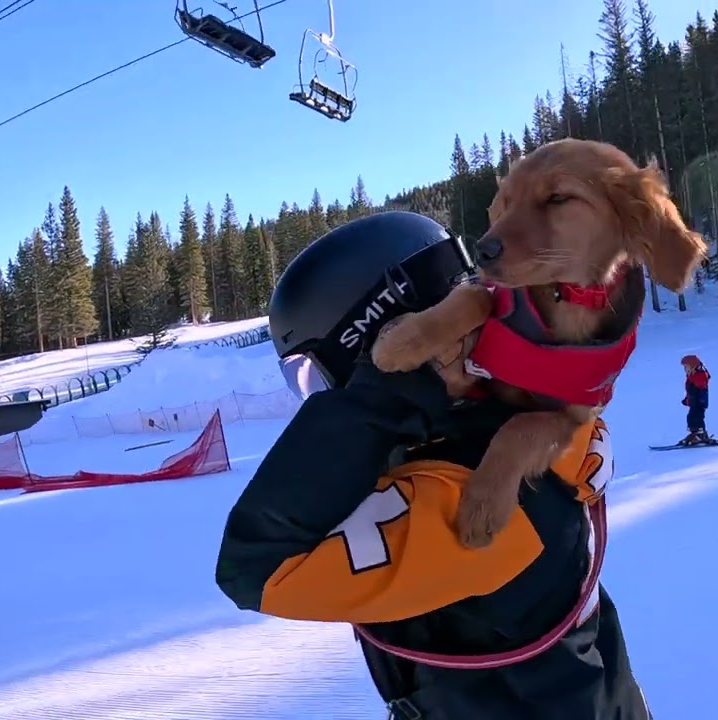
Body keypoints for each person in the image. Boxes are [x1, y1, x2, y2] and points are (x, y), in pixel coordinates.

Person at [214, 211, 652, 719]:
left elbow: (256, 567)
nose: (323, 397)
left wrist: (388, 390)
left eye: (315, 376)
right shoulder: (531, 426)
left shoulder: (477, 492)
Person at [680, 353, 711, 445]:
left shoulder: (700, 374)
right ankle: (694, 434)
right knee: (691, 417)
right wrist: (687, 399)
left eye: (687, 367)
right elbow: (690, 390)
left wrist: (693, 376)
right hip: (694, 401)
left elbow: (700, 385)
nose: (685, 369)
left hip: (699, 402)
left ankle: (700, 435)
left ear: (693, 366)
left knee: (697, 417)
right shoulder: (691, 375)